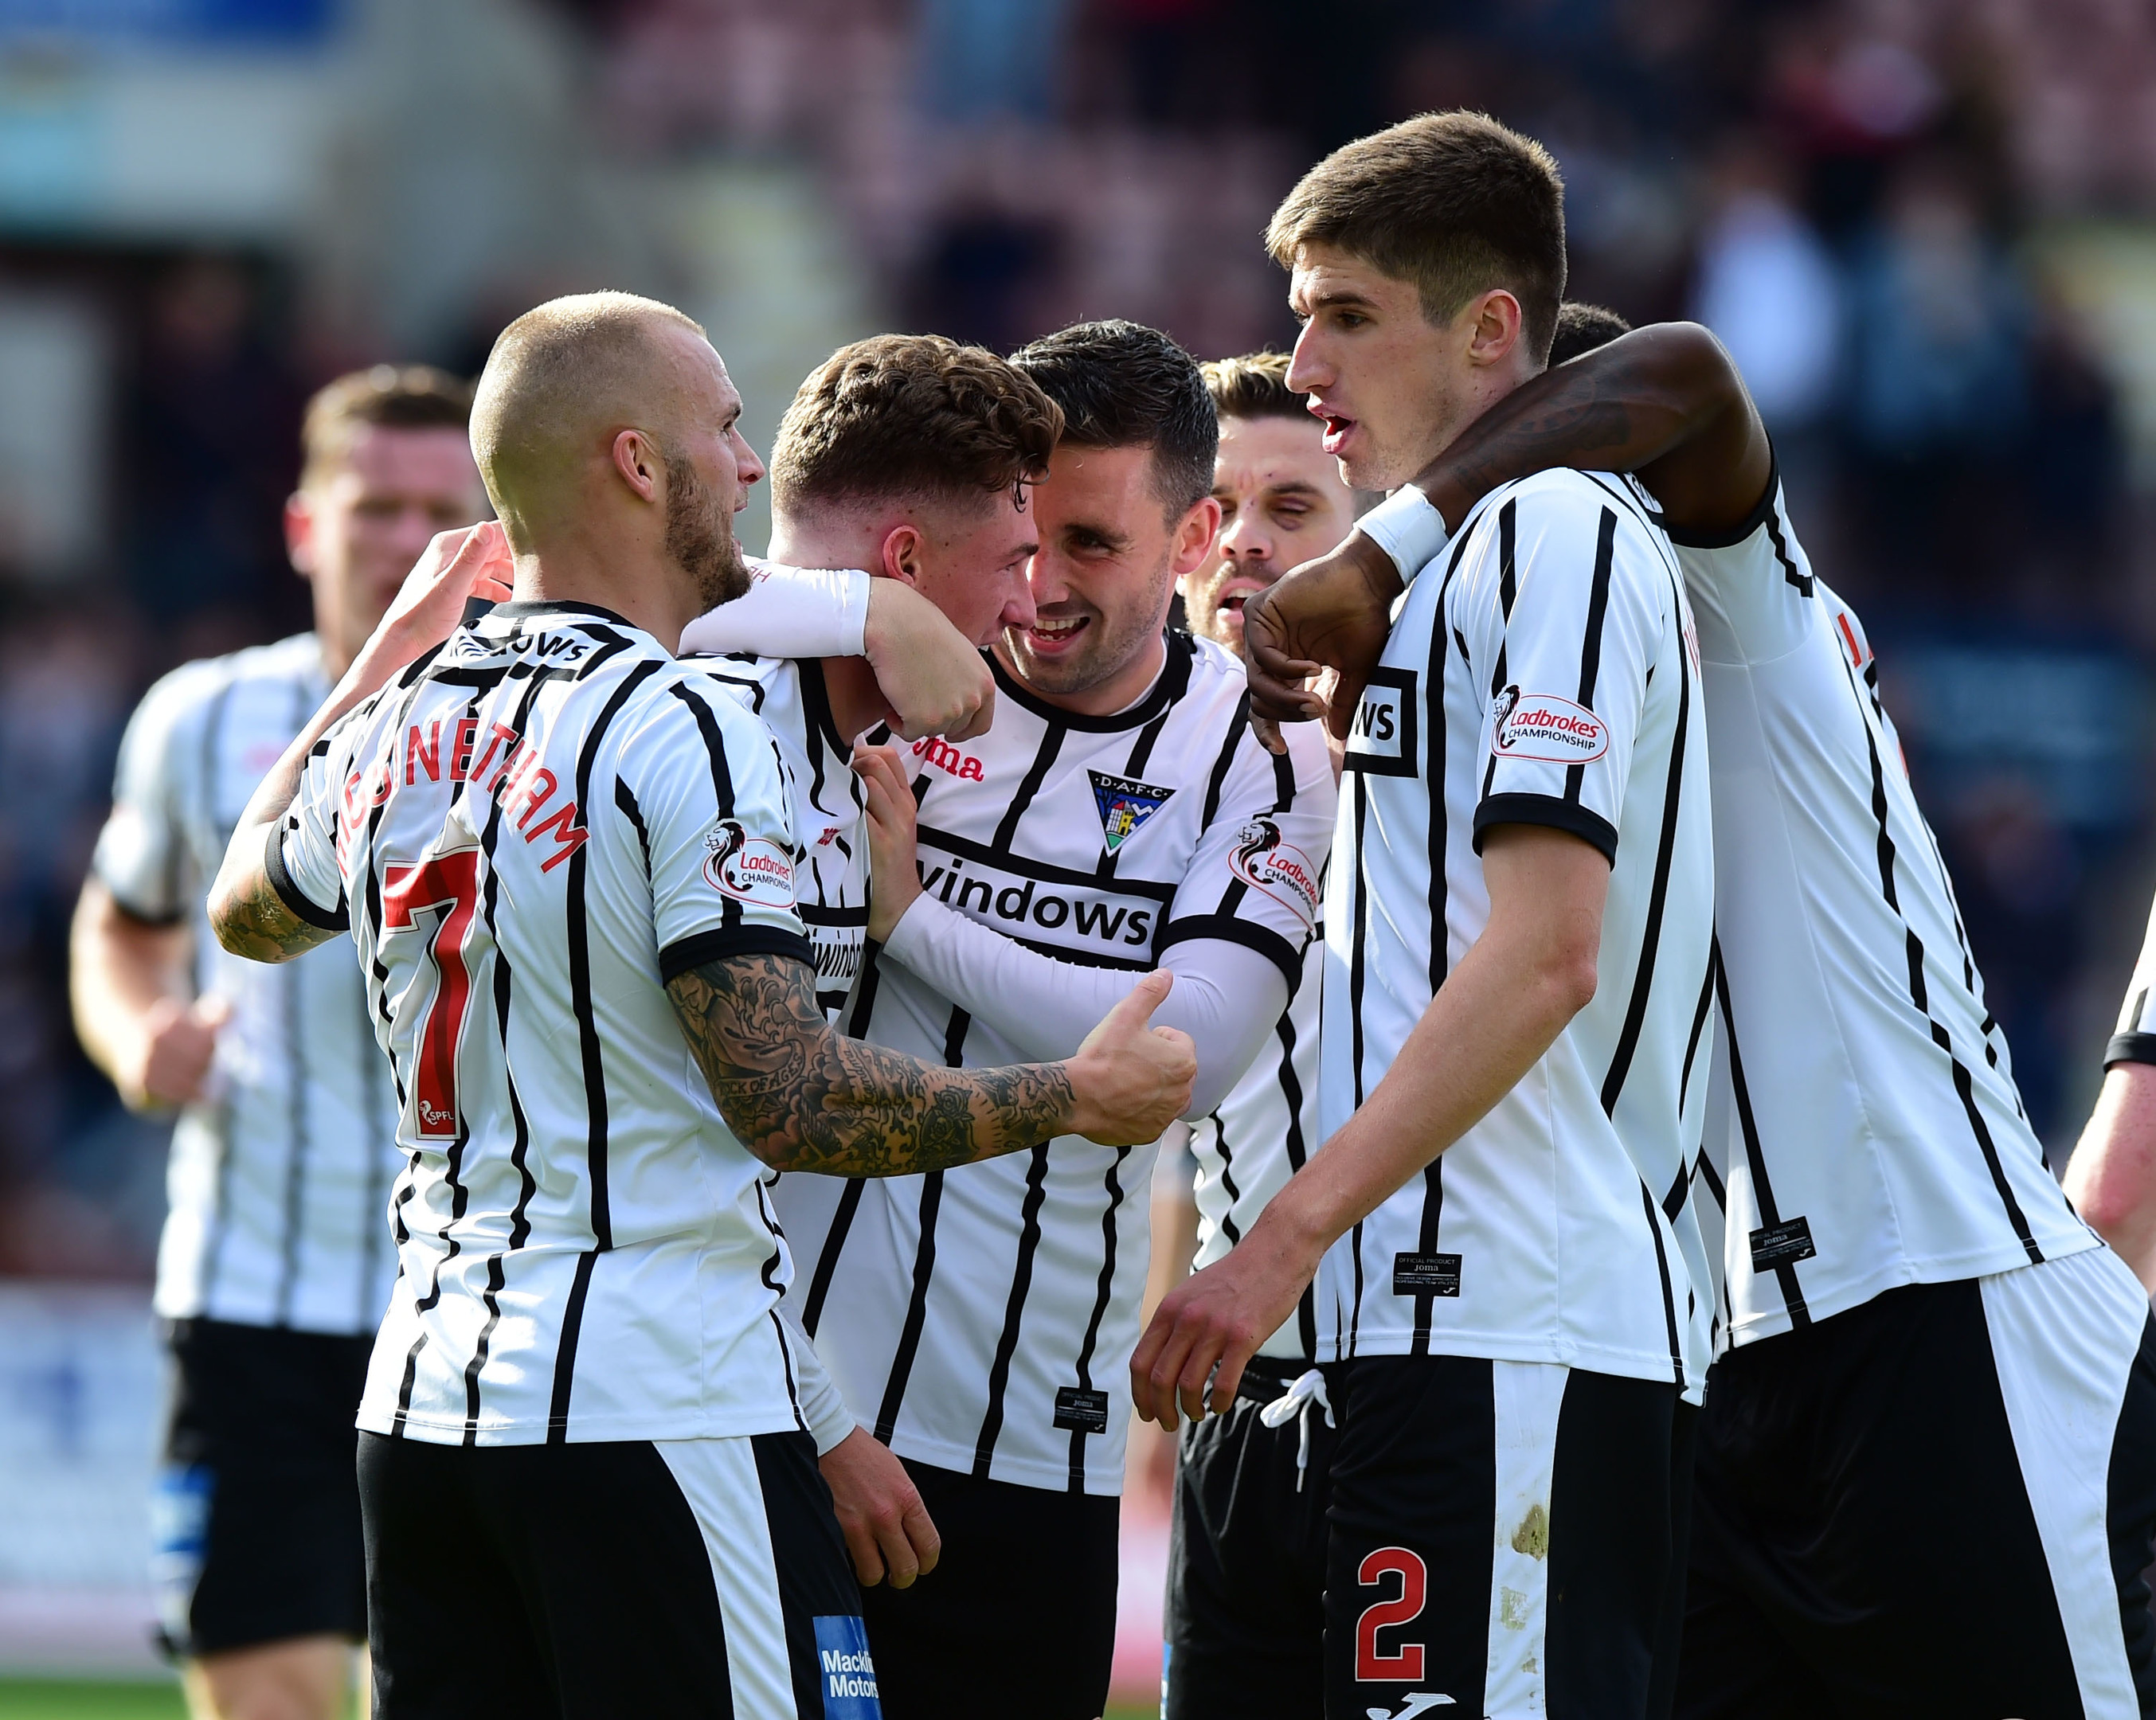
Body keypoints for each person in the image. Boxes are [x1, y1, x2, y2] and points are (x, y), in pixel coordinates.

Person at [200, 291, 1195, 1719]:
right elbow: (788, 1099)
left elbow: (246, 906)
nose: (747, 467)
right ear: (638, 463)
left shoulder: (395, 730)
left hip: (422, 1407)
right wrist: (1070, 1099)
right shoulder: (690, 728)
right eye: (725, 429)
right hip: (653, 1411)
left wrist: (385, 658)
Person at [1239, 296, 2156, 1714]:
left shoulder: (1725, 592)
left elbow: (1678, 373)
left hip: (1937, 1311)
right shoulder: (1528, 660)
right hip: (1710, 1361)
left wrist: (1391, 539)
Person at [1131, 115, 1717, 1720]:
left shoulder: (1562, 532)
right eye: (1301, 310)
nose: (1302, 351)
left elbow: (1546, 954)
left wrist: (1277, 1246)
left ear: (1488, 329)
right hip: (1366, 1341)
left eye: (1346, 313)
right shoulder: (1440, 567)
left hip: (1514, 1334)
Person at [703, 319, 1336, 1720]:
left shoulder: (1268, 749)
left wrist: (915, 924)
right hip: (798, 1400)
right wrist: (870, 611)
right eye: (1024, 539)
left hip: (1044, 1450)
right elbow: (671, 610)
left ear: (1193, 538)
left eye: (1094, 547)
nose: (1039, 590)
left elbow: (1179, 1059)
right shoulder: (871, 662)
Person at [71, 366, 480, 1720]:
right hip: (254, 1296)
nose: (407, 540)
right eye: (376, 505)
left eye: (442, 507)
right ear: (306, 524)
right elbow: (120, 924)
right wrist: (139, 1039)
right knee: (268, 1701)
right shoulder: (201, 718)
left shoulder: (558, 729)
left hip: (489, 1306)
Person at [1148, 349, 1364, 1720]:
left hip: (1439, 1371)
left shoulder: (1456, 778)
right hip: (1235, 1375)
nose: (1242, 542)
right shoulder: (1139, 783)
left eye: (1293, 507)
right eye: (1216, 506)